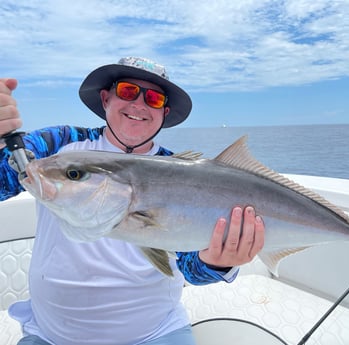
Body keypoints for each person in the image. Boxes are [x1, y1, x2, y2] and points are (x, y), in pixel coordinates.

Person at [0, 57, 265, 345]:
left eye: (153, 98)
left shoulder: (185, 173)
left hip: (156, 334)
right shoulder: (58, 145)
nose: (139, 104)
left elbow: (191, 269)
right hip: (51, 337)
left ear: (164, 113)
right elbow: (7, 177)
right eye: (128, 91)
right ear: (106, 98)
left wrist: (218, 262)